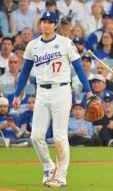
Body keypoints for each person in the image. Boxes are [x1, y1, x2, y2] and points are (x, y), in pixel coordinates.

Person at [12, 11, 94, 187]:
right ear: (40, 24)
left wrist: (88, 92)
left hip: (62, 91)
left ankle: (61, 176)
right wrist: (18, 94)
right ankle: (49, 166)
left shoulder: (65, 43)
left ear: (56, 25)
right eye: (43, 21)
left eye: (50, 22)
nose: (46, 25)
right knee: (35, 136)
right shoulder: (32, 45)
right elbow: (25, 71)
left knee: (59, 136)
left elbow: (79, 68)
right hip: (41, 92)